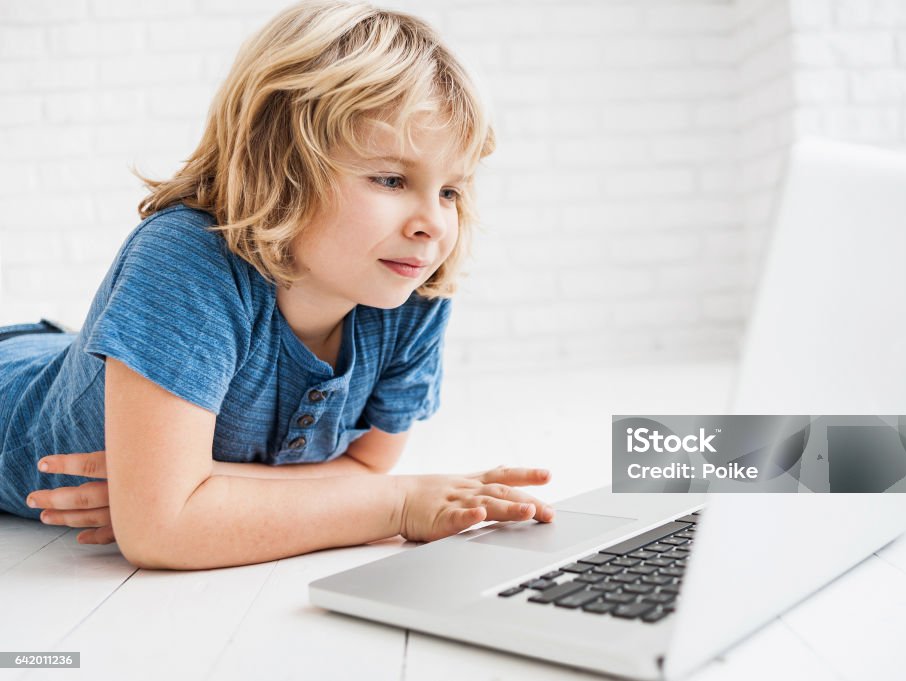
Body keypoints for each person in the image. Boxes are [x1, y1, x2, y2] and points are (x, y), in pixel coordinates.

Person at [0, 0, 554, 570]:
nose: (433, 224)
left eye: (451, 192)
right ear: (281, 166)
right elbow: (163, 531)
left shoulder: (411, 287)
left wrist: (197, 490)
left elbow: (366, 466)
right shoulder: (188, 259)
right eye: (391, 179)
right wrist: (398, 505)